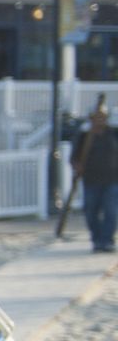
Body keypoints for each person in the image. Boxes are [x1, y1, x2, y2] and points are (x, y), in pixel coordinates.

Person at [70, 95, 116, 254]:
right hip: (91, 180)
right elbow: (74, 157)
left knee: (111, 211)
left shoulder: (114, 134)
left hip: (112, 180)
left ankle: (107, 240)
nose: (100, 120)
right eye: (97, 117)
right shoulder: (84, 136)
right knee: (91, 211)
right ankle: (97, 240)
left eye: (102, 117)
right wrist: (77, 166)